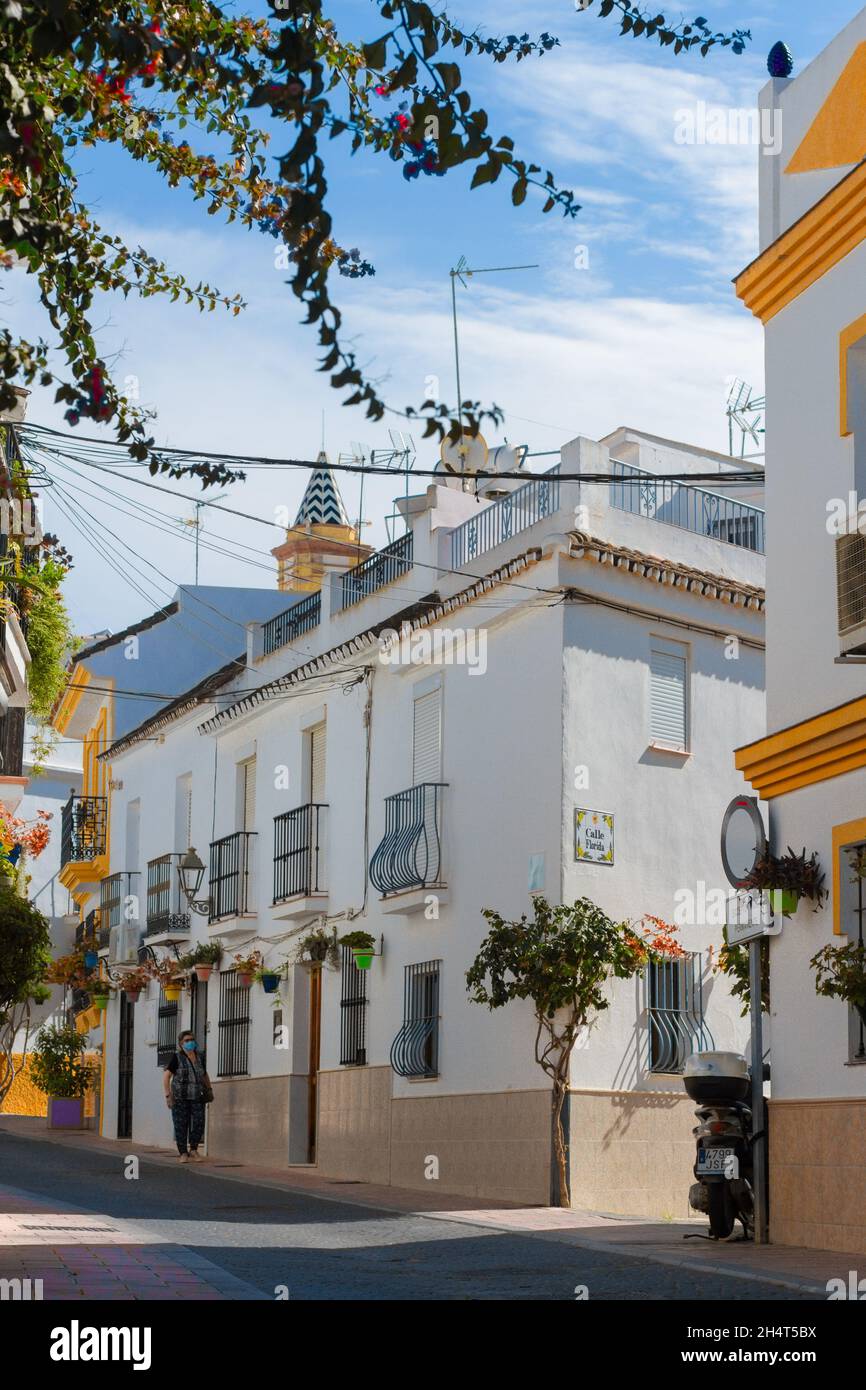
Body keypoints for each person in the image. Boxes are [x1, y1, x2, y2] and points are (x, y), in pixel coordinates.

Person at [163, 1030, 212, 1163]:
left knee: (198, 1122)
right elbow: (166, 1076)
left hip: (197, 1096)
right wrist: (168, 1096)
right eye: (187, 1040)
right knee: (181, 1125)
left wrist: (209, 1088)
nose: (190, 1042)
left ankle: (194, 1149)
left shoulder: (200, 1056)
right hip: (180, 1097)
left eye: (192, 1039)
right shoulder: (177, 1057)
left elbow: (204, 1074)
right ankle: (183, 1153)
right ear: (181, 1043)